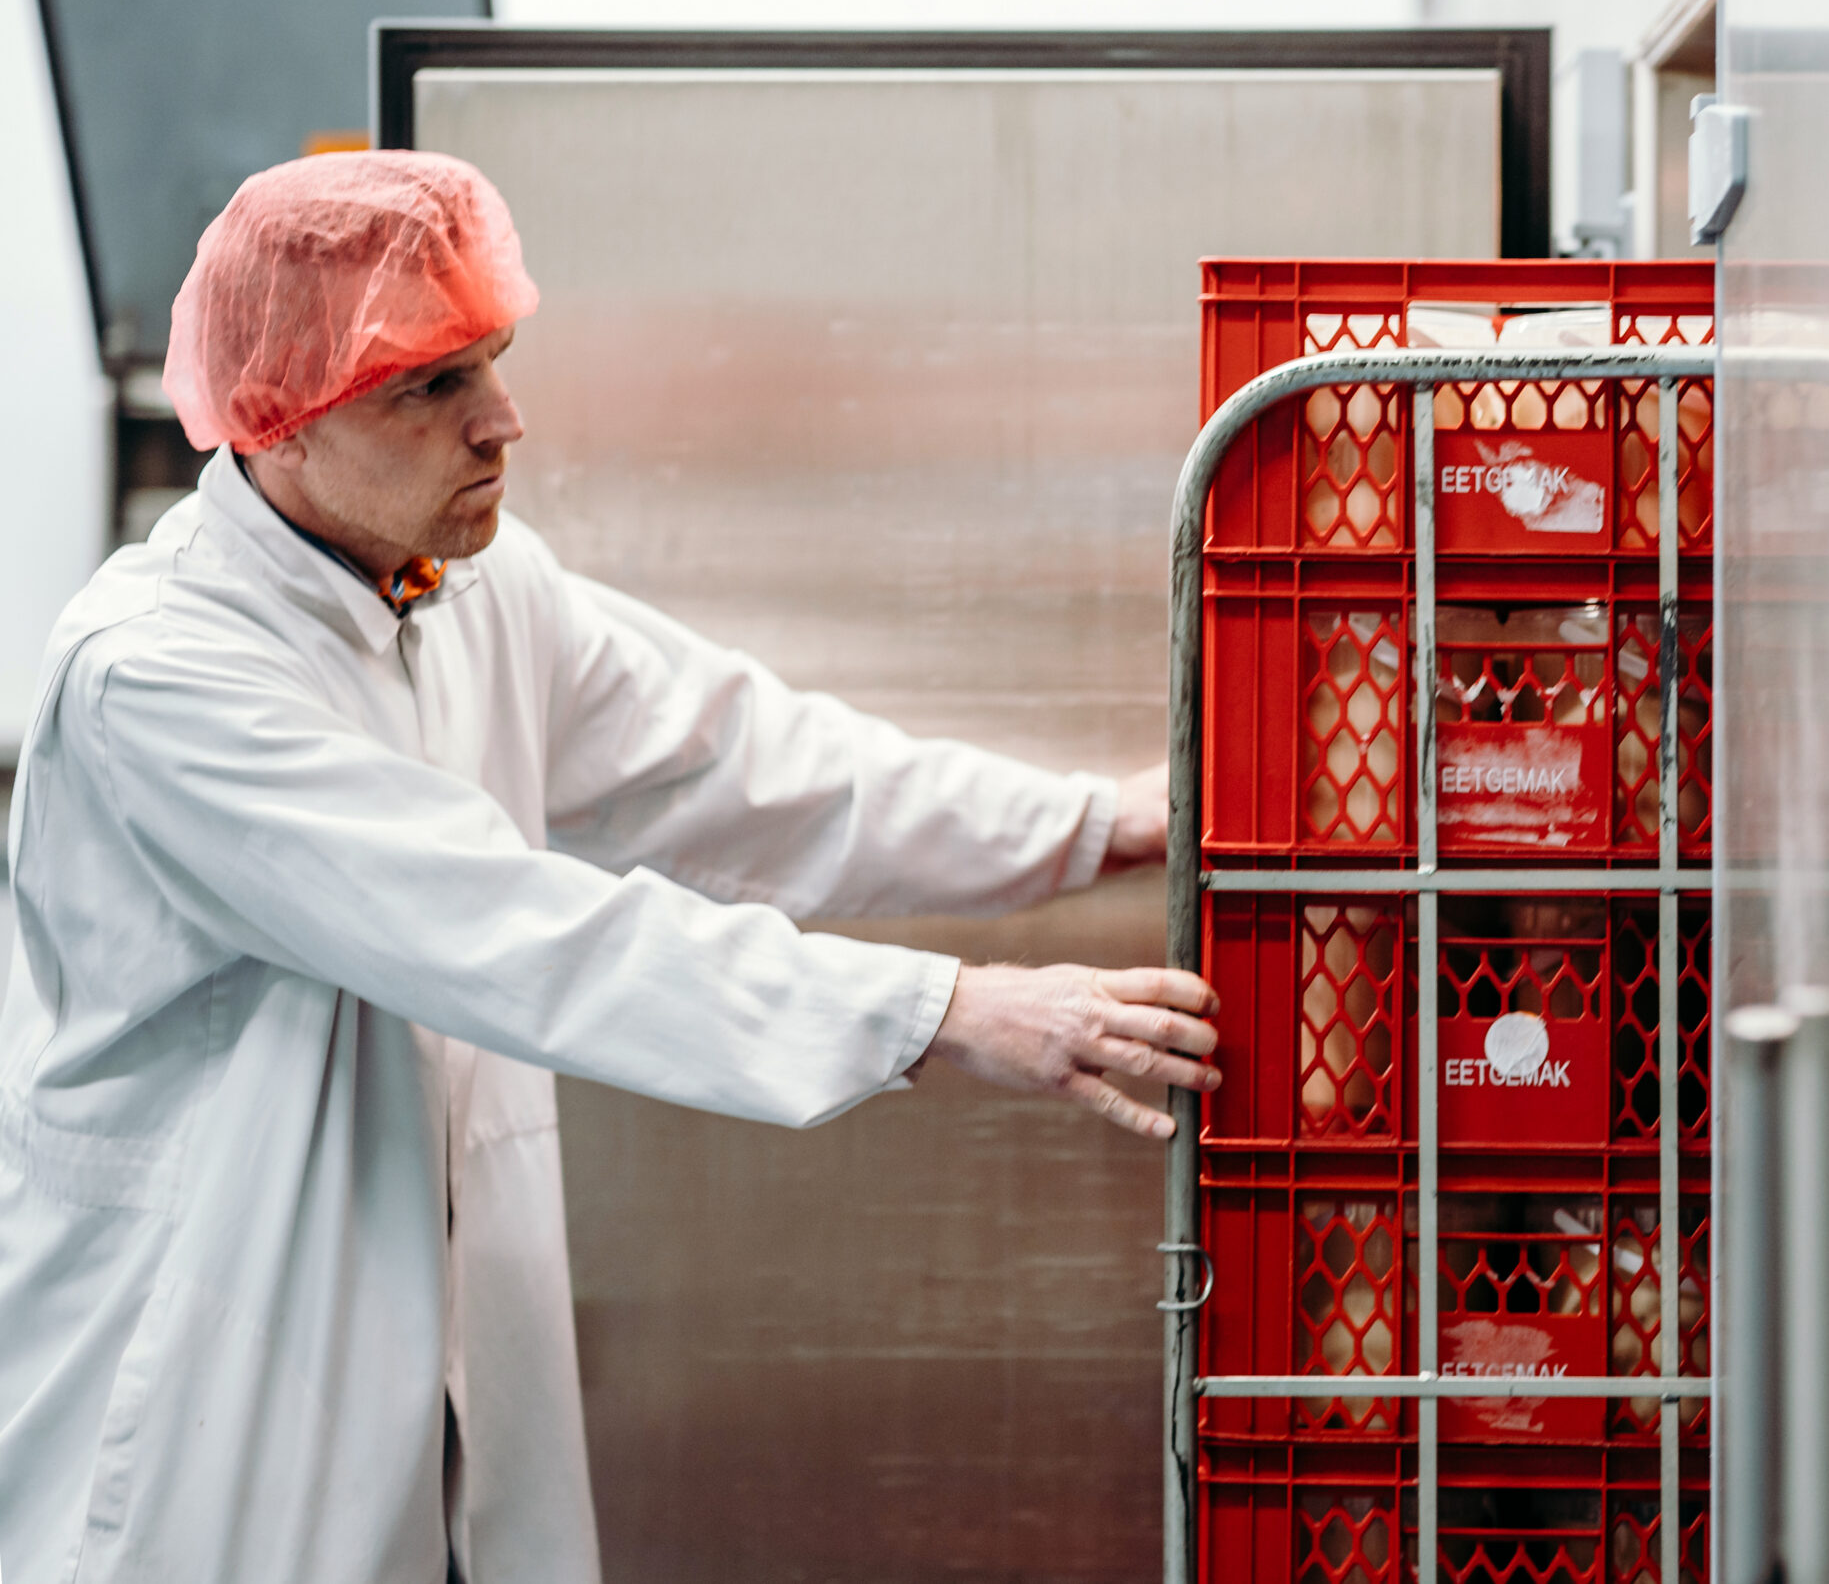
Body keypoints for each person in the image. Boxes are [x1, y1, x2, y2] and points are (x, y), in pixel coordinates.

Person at [0, 150, 1219, 1583]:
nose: (501, 421)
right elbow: (508, 927)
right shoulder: (156, 679)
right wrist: (944, 1010)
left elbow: (745, 760)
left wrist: (1090, 823)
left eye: (494, 363)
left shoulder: (465, 583)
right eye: (431, 388)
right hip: (198, 1365)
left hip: (419, 1340)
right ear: (281, 423)